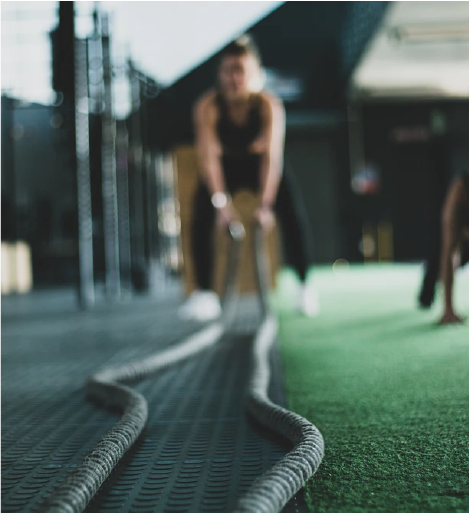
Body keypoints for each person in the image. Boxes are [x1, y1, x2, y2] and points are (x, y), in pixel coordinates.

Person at [179, 35, 319, 321]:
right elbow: (208, 160)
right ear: (220, 75)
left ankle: (305, 287)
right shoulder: (208, 106)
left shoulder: (268, 106)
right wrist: (221, 206)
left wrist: (265, 206)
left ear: (255, 74)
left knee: (292, 213)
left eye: (240, 71)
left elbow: (272, 159)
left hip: (259, 168)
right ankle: (204, 294)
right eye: (227, 71)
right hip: (225, 168)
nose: (233, 78)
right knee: (200, 212)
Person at [419, 172, 469, 324]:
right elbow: (450, 251)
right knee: (441, 259)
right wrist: (448, 309)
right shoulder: (460, 189)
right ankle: (429, 294)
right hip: (456, 222)